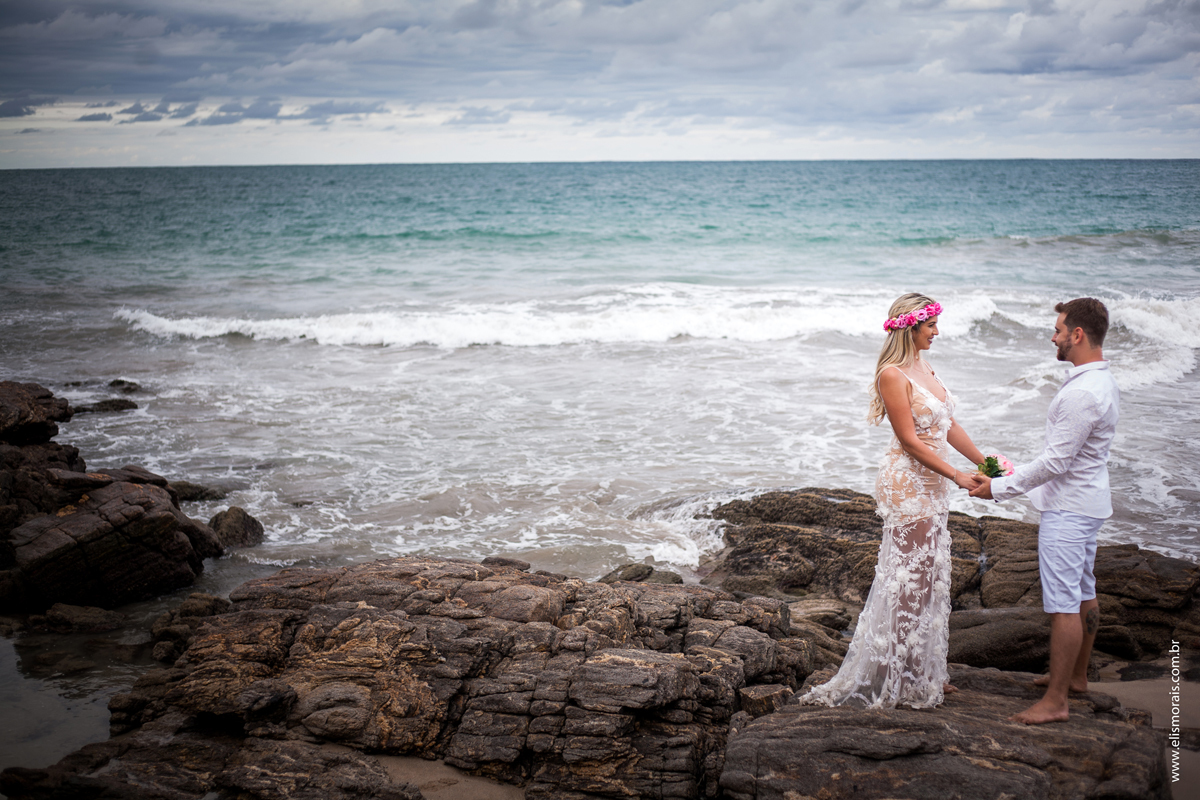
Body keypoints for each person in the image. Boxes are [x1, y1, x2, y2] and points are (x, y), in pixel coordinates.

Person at [802, 293, 986, 709]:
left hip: (932, 480)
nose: (937, 332)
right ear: (911, 326)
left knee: (929, 576)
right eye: (931, 325)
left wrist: (986, 462)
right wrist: (957, 474)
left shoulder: (924, 365)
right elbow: (908, 439)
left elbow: (948, 424)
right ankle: (894, 676)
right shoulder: (892, 373)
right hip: (907, 483)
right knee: (909, 580)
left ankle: (919, 669)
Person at [970, 298, 1119, 725]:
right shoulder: (1101, 382)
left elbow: (1056, 462)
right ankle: (1075, 679)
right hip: (1087, 502)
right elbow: (1068, 457)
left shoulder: (1084, 393)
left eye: (1058, 329)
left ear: (1077, 335)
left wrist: (998, 488)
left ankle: (1056, 702)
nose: (1052, 336)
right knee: (1083, 588)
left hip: (1069, 511)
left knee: (1063, 604)